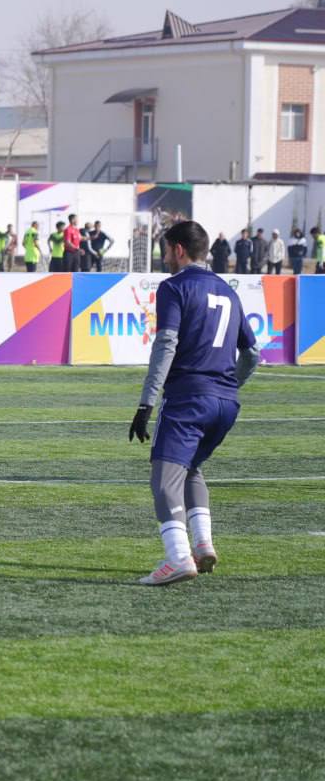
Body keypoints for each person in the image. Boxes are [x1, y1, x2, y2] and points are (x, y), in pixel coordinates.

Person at [129, 220, 260, 586]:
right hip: (225, 404)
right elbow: (252, 354)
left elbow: (166, 344)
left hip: (188, 400)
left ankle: (178, 558)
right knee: (190, 468)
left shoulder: (174, 287)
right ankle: (203, 545)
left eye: (165, 250)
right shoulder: (228, 291)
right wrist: (226, 386)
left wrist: (146, 404)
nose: (164, 258)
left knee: (163, 479)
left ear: (179, 249)